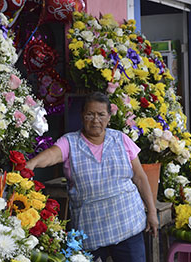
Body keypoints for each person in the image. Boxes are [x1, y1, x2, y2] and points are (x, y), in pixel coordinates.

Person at [26, 91, 158, 262]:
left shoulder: (121, 139)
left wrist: (152, 212)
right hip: (91, 232)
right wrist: (32, 164)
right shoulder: (70, 142)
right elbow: (52, 155)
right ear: (82, 116)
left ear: (109, 117)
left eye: (101, 114)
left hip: (128, 225)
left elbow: (140, 178)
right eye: (90, 114)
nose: (96, 120)